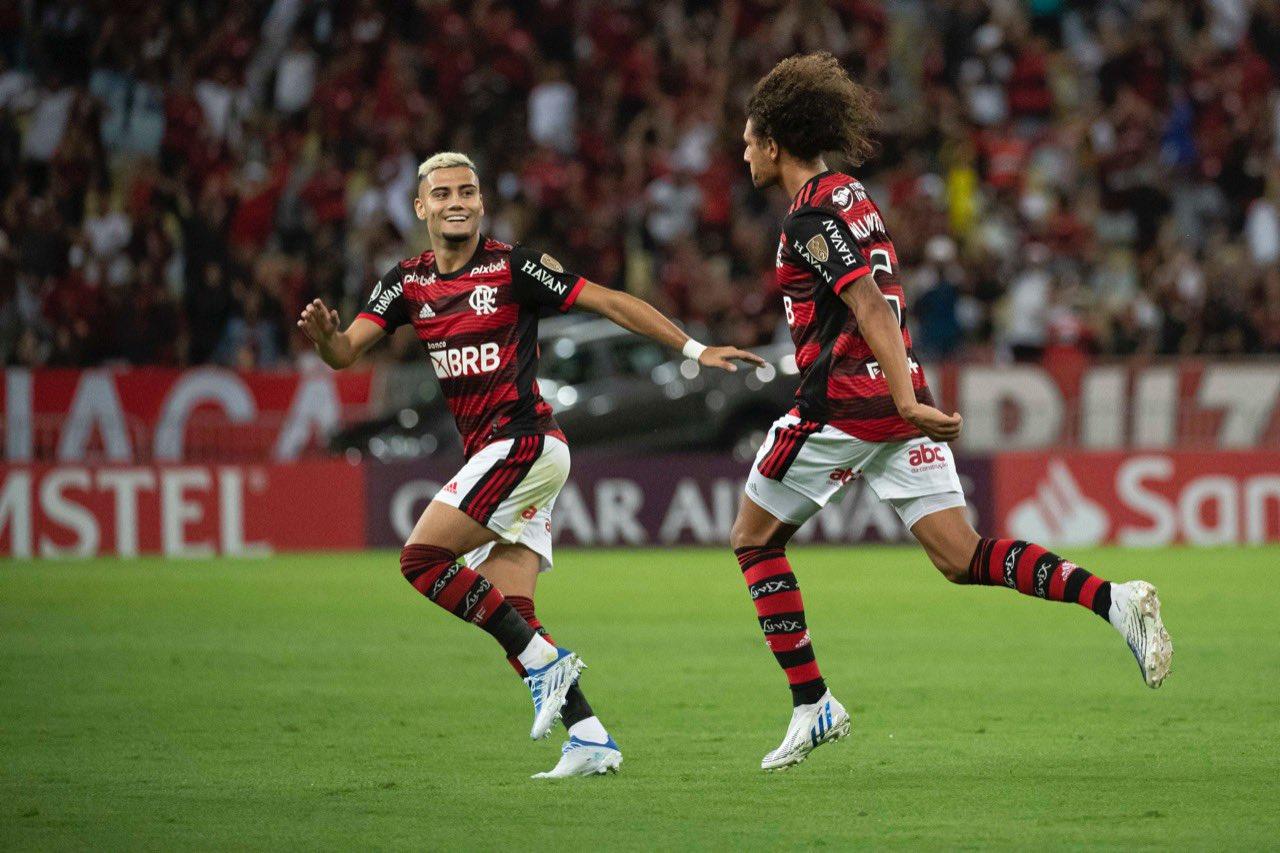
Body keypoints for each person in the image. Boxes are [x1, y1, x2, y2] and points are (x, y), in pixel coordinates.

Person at [729, 53, 1173, 772]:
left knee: (752, 540)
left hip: (845, 405)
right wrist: (908, 394)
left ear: (775, 142)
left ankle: (813, 704)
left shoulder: (809, 215)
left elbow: (867, 302)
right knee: (960, 556)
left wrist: (901, 397)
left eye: (749, 139)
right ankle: (1116, 599)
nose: (743, 151)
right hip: (895, 399)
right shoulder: (852, 193)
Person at [298, 152, 761, 778]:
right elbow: (346, 350)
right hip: (500, 455)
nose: (455, 201)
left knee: (420, 559)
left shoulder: (513, 266)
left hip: (524, 443)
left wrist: (694, 347)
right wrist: (327, 337)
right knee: (515, 609)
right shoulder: (406, 283)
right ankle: (591, 737)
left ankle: (545, 664)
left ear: (481, 203)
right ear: (421, 207)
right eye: (442, 194)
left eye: (467, 190)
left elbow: (609, 302)